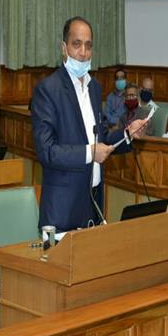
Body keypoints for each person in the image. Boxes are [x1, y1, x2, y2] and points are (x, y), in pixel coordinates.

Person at [31, 16, 147, 232]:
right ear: (64, 48)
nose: (83, 52)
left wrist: (128, 134)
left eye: (88, 45)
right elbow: (46, 151)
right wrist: (89, 153)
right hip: (63, 210)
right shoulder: (48, 90)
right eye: (76, 44)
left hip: (93, 204)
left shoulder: (94, 88)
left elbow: (100, 137)